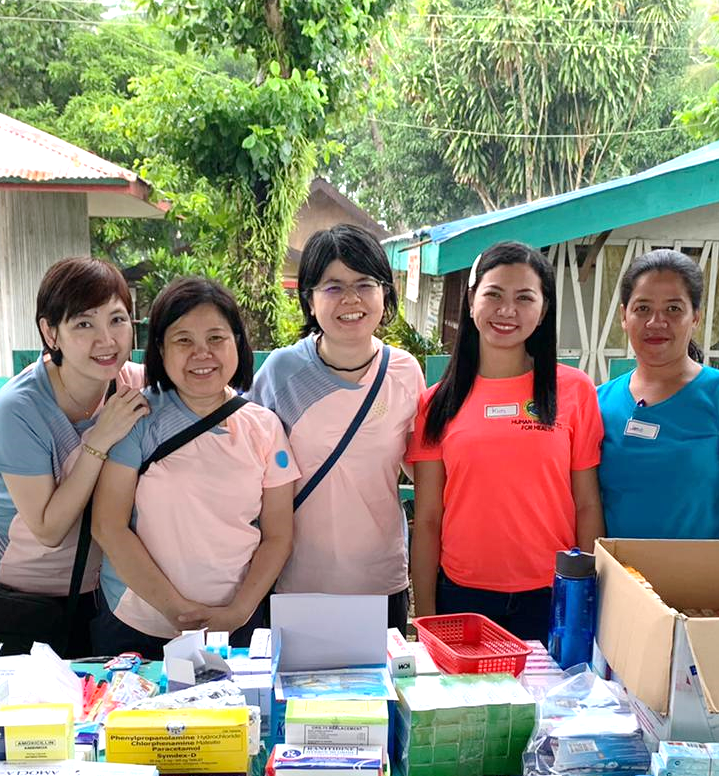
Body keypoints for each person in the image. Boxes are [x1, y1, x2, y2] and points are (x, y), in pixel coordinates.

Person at [90, 277, 299, 660]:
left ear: (237, 342)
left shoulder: (264, 426)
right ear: (160, 349)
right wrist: (175, 610)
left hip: (235, 627)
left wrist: (237, 612)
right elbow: (108, 524)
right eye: (184, 340)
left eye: (216, 339)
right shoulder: (138, 417)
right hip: (137, 624)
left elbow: (278, 535)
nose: (202, 354)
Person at [406, 242, 605, 642]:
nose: (507, 310)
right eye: (493, 294)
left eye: (524, 298)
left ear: (543, 309)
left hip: (551, 596)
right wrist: (425, 620)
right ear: (471, 301)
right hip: (461, 597)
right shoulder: (436, 403)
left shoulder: (574, 391)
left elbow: (586, 505)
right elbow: (427, 520)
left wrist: (587, 601)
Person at [0, 258, 150, 656]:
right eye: (84, 324)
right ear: (50, 332)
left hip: (102, 593)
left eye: (117, 320)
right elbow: (48, 530)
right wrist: (99, 439)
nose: (107, 340)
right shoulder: (17, 410)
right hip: (26, 598)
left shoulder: (135, 384)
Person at [251, 225, 425, 632]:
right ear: (309, 300)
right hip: (295, 580)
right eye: (332, 287)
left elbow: (423, 470)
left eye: (365, 284)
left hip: (380, 580)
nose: (351, 299)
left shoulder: (404, 372)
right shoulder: (283, 371)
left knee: (378, 696)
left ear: (385, 294)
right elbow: (245, 465)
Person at [598, 249, 719, 540]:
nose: (656, 322)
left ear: (696, 318)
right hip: (617, 580)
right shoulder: (599, 402)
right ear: (623, 316)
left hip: (703, 582)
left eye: (673, 309)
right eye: (642, 308)